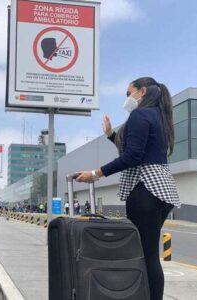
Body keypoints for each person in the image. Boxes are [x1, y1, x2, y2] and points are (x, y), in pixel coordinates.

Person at [76, 77, 181, 300]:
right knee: (149, 254)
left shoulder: (140, 115)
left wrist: (95, 174)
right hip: (162, 190)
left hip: (145, 189)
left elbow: (132, 156)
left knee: (146, 255)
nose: (127, 98)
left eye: (128, 93)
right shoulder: (160, 116)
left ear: (142, 91)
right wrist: (111, 136)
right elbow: (137, 149)